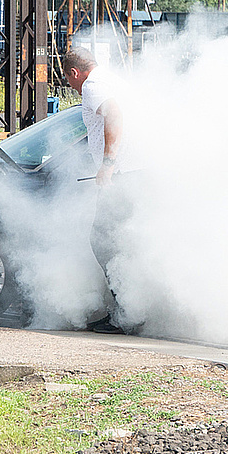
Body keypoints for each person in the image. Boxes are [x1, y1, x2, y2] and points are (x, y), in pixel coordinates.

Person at [65, 47, 135, 335]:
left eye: (68, 80)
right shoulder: (113, 79)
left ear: (74, 73)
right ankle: (133, 308)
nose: (70, 86)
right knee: (122, 242)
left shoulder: (93, 86)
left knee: (104, 240)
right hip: (133, 174)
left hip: (121, 177)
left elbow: (114, 116)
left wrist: (107, 163)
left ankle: (126, 314)